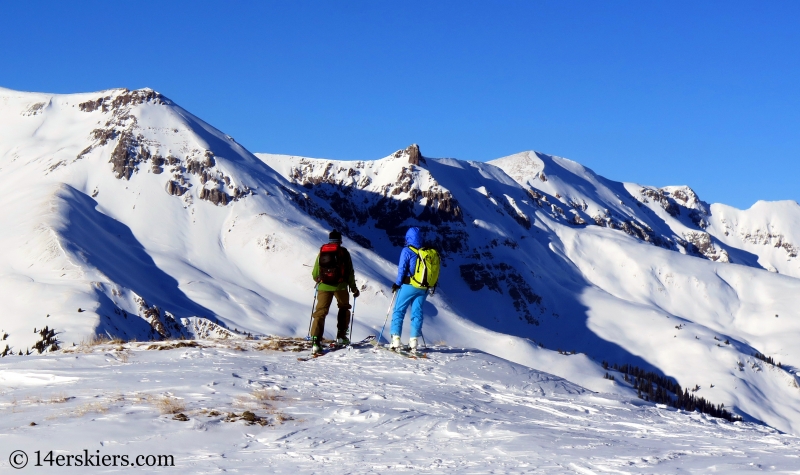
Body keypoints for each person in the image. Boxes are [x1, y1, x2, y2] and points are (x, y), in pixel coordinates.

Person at [311, 230, 360, 354]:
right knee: (344, 308)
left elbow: (315, 273)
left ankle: (316, 341)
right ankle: (341, 336)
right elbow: (349, 272)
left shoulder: (322, 251)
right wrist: (354, 288)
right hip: (340, 286)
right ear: (340, 240)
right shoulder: (343, 252)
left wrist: (320, 279)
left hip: (323, 286)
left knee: (320, 312)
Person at [390, 226, 428, 351]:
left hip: (408, 285)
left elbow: (402, 269)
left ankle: (395, 340)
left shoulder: (407, 250)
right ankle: (414, 342)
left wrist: (397, 284)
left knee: (399, 311)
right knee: (417, 313)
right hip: (423, 287)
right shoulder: (425, 251)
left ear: (408, 237)